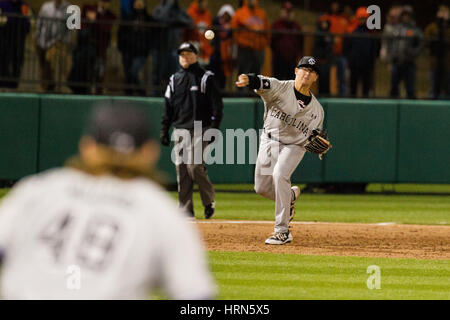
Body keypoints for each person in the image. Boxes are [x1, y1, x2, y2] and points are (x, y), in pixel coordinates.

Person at [0, 103, 216, 299]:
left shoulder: (38, 190)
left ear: (88, 146)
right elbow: (196, 298)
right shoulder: (159, 211)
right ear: (150, 152)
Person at [235, 56, 329, 245]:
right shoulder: (280, 87)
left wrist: (316, 138)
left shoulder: (317, 111)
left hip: (295, 146)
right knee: (260, 188)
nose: (307, 73)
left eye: (312, 72)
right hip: (269, 140)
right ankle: (291, 196)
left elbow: (314, 136)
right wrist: (248, 78)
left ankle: (282, 231)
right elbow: (262, 81)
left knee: (280, 175)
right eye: (304, 69)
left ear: (315, 78)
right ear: (296, 71)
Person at [160, 42, 223, 219]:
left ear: (196, 56)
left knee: (194, 166)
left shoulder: (205, 77)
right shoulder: (174, 79)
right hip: (179, 128)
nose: (185, 57)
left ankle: (208, 201)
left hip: (200, 127)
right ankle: (186, 209)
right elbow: (168, 107)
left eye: (188, 54)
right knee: (181, 169)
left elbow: (217, 106)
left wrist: (214, 129)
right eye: (182, 55)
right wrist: (164, 130)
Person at [152, 0, 193, 95]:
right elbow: (161, 18)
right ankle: (156, 95)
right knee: (159, 74)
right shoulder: (159, 9)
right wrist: (169, 6)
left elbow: (190, 22)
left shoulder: (179, 10)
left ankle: (175, 96)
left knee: (175, 75)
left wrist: (176, 20)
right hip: (161, 48)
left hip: (174, 48)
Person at [118, 0, 156, 96]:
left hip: (141, 52)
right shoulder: (127, 18)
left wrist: (148, 47)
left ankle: (141, 92)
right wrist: (121, 46)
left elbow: (153, 34)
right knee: (128, 73)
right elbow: (120, 33)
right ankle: (128, 93)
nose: (139, 5)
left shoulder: (148, 19)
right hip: (127, 50)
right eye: (137, 3)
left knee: (133, 71)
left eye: (141, 2)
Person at [384, 7, 423, 99]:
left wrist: (413, 53)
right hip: (397, 62)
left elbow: (420, 43)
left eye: (408, 15)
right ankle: (392, 108)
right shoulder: (396, 28)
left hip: (409, 63)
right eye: (404, 15)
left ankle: (411, 110)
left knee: (410, 89)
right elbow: (389, 42)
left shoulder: (415, 30)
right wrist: (391, 55)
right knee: (394, 88)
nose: (406, 17)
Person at [35, 0, 72, 92]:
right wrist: (37, 37)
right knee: (43, 65)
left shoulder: (69, 8)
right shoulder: (46, 7)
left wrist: (65, 41)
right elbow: (39, 22)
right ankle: (46, 85)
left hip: (57, 42)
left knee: (50, 61)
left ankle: (51, 86)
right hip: (43, 41)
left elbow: (71, 28)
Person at [343, 7, 379, 97]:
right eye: (361, 18)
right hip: (354, 63)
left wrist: (372, 61)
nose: (362, 20)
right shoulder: (352, 31)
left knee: (366, 88)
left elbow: (374, 48)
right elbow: (347, 47)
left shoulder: (371, 32)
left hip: (367, 64)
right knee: (353, 87)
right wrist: (350, 60)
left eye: (364, 18)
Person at [231, 0, 269, 76]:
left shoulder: (261, 13)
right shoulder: (240, 13)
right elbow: (234, 31)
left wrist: (264, 43)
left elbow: (267, 30)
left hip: (259, 49)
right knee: (243, 73)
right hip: (245, 49)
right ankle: (241, 88)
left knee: (256, 74)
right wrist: (240, 42)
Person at [319, 2, 349, 96]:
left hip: (341, 54)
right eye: (333, 4)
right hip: (328, 54)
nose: (335, 6)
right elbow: (321, 34)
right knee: (326, 77)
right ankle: (326, 95)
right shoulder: (325, 18)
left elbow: (348, 36)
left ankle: (342, 98)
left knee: (342, 78)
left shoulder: (344, 20)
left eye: (337, 4)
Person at [0, 0, 31, 89]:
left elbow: (27, 21)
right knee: (4, 61)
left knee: (18, 62)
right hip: (5, 39)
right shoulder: (2, 3)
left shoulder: (23, 5)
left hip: (18, 39)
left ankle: (14, 84)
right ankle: (3, 83)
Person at [270, 1, 303, 80]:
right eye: (286, 11)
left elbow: (300, 43)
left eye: (290, 11)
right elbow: (272, 42)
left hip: (292, 61)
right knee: (277, 84)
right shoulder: (276, 25)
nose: (288, 14)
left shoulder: (296, 26)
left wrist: (298, 55)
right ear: (282, 11)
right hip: (278, 60)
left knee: (290, 84)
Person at [425, 5, 450, 99]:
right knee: (434, 86)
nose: (443, 14)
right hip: (435, 61)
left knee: (447, 87)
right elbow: (427, 41)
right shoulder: (432, 27)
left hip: (447, 62)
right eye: (441, 12)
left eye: (446, 12)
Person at [207, 4, 235, 89]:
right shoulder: (216, 22)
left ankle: (222, 90)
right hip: (216, 51)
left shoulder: (232, 25)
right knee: (213, 72)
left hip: (226, 53)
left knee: (223, 74)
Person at [186, 0, 213, 67]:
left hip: (205, 50)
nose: (206, 4)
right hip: (193, 48)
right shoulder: (190, 13)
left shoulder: (207, 14)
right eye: (204, 2)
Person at [313, 18, 333, 95]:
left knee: (327, 78)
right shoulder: (318, 34)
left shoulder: (329, 34)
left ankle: (327, 93)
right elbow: (317, 47)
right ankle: (321, 94)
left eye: (326, 22)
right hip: (320, 60)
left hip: (327, 60)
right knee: (321, 78)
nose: (324, 24)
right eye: (323, 23)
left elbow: (330, 47)